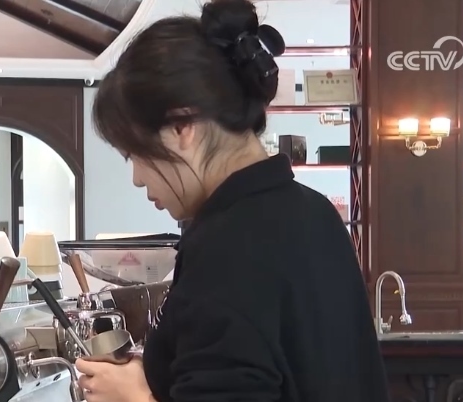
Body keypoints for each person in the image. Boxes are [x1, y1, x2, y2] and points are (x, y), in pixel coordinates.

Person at [73, 0, 390, 401]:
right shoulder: (315, 211)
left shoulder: (227, 247)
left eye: (134, 154)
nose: (137, 177)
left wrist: (135, 397)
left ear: (181, 126)